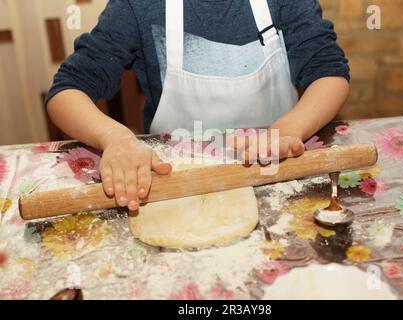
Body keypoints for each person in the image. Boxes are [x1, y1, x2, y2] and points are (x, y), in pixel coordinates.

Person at [46, 0, 350, 211]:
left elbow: (329, 72)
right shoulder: (137, 6)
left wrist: (289, 129)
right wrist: (116, 138)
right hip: (175, 187)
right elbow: (66, 91)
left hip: (281, 176)